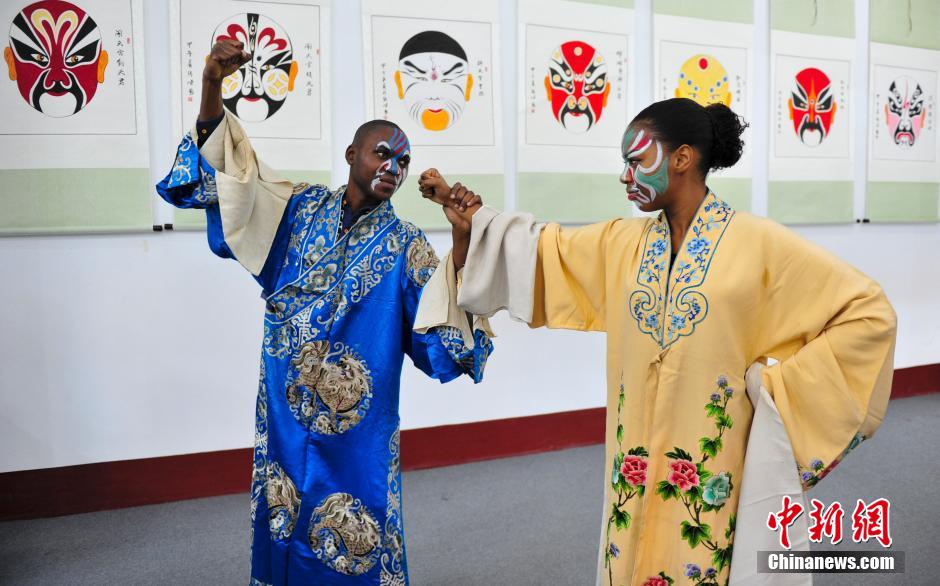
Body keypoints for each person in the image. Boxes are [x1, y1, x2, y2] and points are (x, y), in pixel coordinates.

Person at [418, 98, 897, 585]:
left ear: (683, 158)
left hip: (712, 454)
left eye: (636, 161)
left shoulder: (760, 245)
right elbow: (547, 252)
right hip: (634, 456)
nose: (626, 177)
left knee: (701, 555)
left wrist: (773, 393)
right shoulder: (622, 244)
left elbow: (865, 312)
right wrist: (476, 219)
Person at [156, 39, 492, 585]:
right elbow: (233, 176)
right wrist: (213, 84)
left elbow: (442, 336)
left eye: (403, 161)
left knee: (354, 534)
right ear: (351, 155)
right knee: (282, 515)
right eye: (382, 152)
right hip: (286, 413)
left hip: (357, 430)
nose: (393, 166)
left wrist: (459, 242)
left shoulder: (407, 245)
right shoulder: (298, 208)